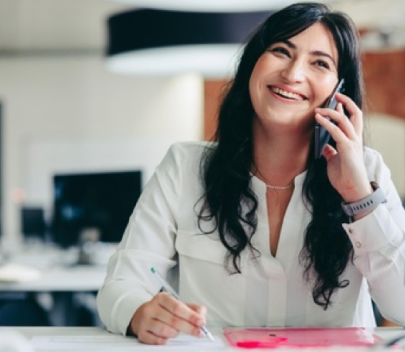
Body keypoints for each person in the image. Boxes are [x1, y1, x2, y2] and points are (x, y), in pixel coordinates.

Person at [97, 2, 405, 345]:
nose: (293, 74)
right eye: (280, 51)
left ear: (340, 92)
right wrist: (139, 313)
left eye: (320, 63)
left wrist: (358, 197)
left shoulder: (369, 171)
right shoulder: (184, 167)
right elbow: (119, 287)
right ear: (251, 67)